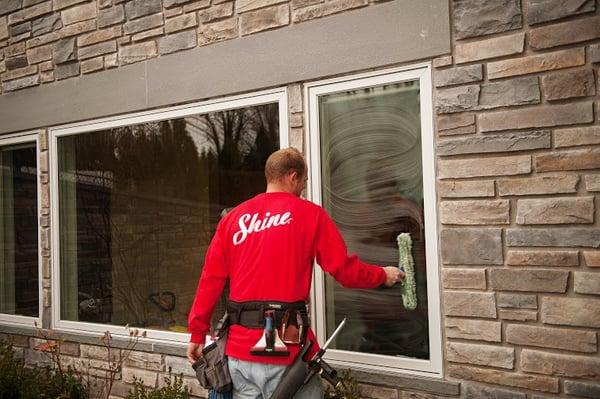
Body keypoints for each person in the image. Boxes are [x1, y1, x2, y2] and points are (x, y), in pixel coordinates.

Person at [187, 147, 403, 399]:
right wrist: (383, 275)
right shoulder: (310, 215)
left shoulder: (232, 219)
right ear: (292, 177)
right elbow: (345, 271)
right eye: (304, 181)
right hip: (289, 358)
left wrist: (196, 332)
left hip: (239, 357)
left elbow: (210, 279)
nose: (303, 187)